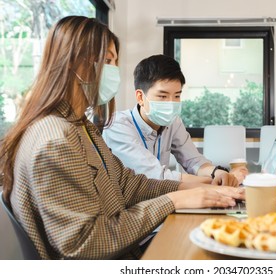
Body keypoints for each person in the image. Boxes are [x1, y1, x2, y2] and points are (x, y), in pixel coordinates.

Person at [0, 16, 244, 260]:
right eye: (106, 61)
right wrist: (174, 200)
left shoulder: (80, 126)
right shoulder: (55, 141)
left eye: (114, 62)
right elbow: (86, 243)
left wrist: (200, 189)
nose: (113, 72)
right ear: (71, 64)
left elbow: (126, 184)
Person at [102, 54, 248, 186]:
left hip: (160, 199)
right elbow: (156, 176)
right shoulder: (117, 125)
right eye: (162, 96)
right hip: (130, 206)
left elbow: (194, 161)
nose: (171, 103)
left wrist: (218, 173)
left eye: (177, 96)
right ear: (140, 97)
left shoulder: (173, 122)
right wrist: (215, 181)